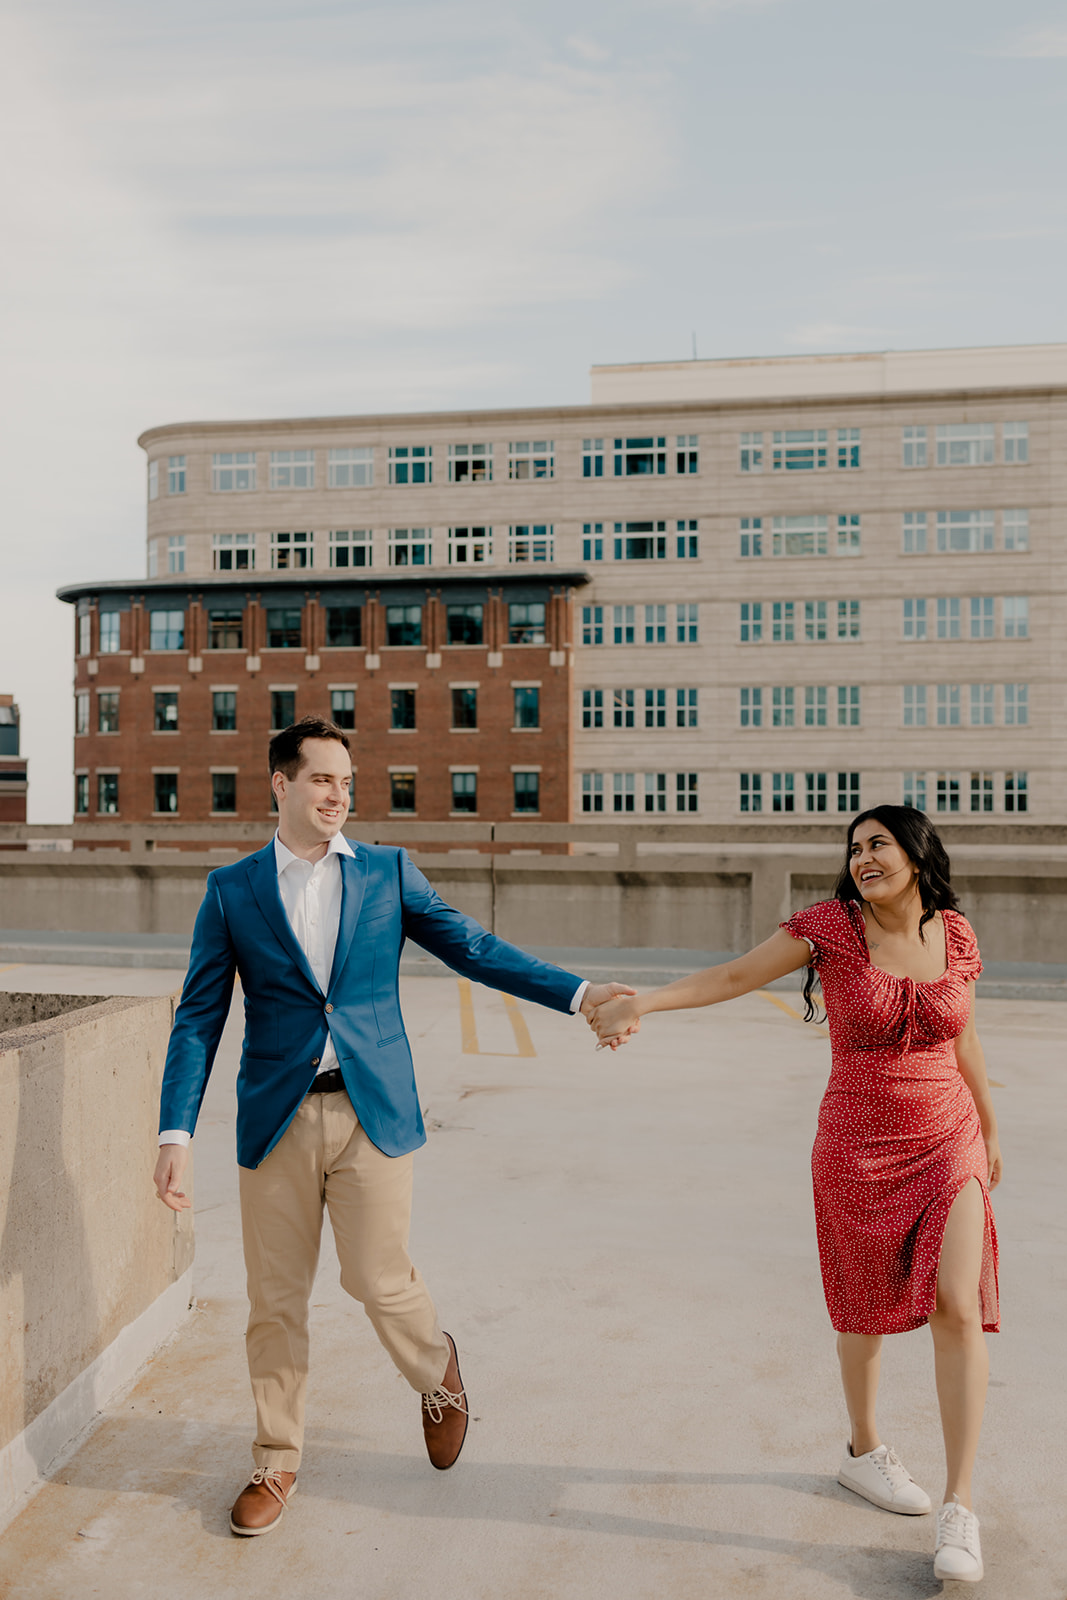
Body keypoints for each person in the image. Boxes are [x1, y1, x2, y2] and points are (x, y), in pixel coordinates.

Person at [153, 716, 634, 1537]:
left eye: (345, 781)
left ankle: (434, 1367)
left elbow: (472, 947)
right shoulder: (232, 890)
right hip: (274, 1120)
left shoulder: (385, 873)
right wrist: (175, 1135)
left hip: (371, 1111)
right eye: (321, 779)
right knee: (274, 1302)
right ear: (280, 784)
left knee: (377, 1279)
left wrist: (582, 994)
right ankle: (276, 1461)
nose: (338, 794)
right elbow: (199, 1017)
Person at [588, 805, 1000, 1586]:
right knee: (862, 1308)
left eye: (877, 843)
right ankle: (863, 1451)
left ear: (915, 852)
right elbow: (732, 977)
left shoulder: (955, 932)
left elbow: (965, 1036)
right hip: (855, 1144)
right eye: (853, 848)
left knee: (953, 1304)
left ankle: (960, 1506)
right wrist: (641, 1003)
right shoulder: (830, 927)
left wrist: (990, 1127)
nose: (861, 857)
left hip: (948, 1139)